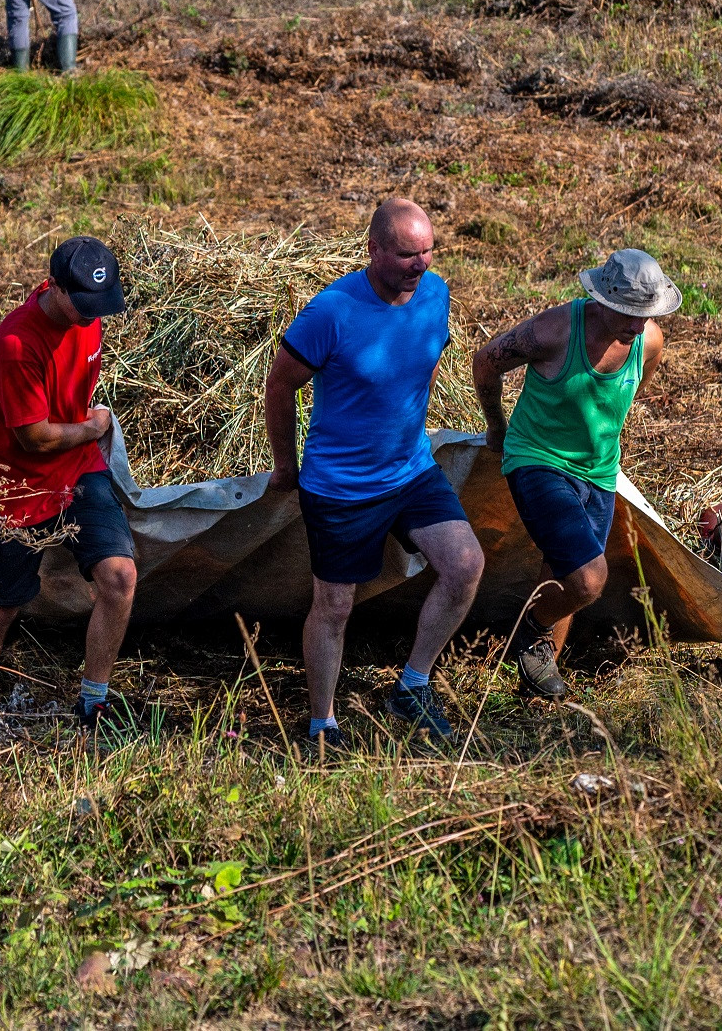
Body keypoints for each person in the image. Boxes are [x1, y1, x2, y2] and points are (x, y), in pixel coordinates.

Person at [263, 199, 483, 752]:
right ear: (375, 250)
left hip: (411, 471)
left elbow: (422, 361)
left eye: (429, 250)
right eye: (409, 254)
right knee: (335, 606)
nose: (422, 264)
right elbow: (280, 384)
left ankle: (411, 686)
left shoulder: (436, 293)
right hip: (340, 488)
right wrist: (286, 464)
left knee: (465, 567)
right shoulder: (331, 312)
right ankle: (322, 723)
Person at [470, 248, 677, 701]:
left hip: (599, 471)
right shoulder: (554, 331)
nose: (637, 325)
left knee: (561, 571)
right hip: (537, 459)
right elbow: (486, 361)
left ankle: (535, 692)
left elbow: (628, 393)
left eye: (646, 314)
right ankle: (530, 632)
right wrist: (497, 427)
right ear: (601, 300)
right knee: (587, 579)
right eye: (627, 313)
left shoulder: (650, 340)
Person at [0, 235, 137, 731]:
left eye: (98, 307)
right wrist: (94, 427)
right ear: (54, 287)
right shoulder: (17, 344)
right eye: (82, 305)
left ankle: (93, 700)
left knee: (120, 578)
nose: (91, 316)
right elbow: (35, 438)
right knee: (3, 604)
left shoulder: (89, 311)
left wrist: (85, 435)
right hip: (14, 488)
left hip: (77, 467)